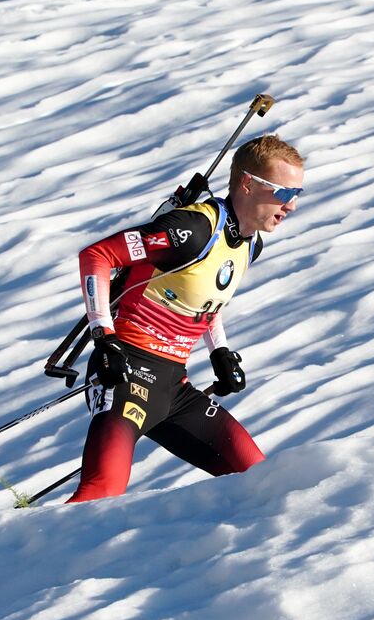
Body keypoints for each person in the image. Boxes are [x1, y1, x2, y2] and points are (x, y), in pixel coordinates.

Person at [65, 134, 304, 502]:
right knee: (100, 493)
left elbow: (207, 300)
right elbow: (97, 255)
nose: (291, 206)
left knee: (262, 481)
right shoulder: (193, 230)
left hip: (174, 388)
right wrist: (103, 334)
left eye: (297, 195)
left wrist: (219, 351)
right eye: (284, 193)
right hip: (126, 372)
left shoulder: (250, 243)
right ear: (247, 184)